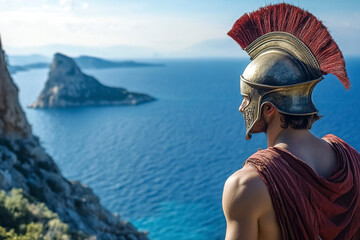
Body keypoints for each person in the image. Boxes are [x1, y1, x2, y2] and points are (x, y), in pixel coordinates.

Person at [222, 3, 360, 240]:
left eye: (246, 99)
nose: (241, 107)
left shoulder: (246, 186)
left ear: (268, 109)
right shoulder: (353, 160)